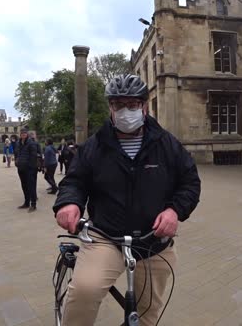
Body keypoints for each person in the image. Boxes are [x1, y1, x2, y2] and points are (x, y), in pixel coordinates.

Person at [53, 74, 201, 326]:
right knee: (85, 291)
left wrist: (175, 211)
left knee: (148, 311)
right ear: (110, 107)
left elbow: (190, 182)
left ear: (144, 105)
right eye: (118, 105)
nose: (125, 111)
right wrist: (69, 202)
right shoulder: (94, 145)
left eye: (132, 105)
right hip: (106, 236)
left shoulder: (166, 143)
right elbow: (74, 181)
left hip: (153, 241)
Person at [15, 128, 39, 212]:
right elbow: (16, 153)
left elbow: (33, 156)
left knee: (31, 186)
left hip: (29, 168)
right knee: (24, 186)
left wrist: (30, 166)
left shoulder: (31, 143)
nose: (23, 134)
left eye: (24, 133)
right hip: (21, 168)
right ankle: (26, 202)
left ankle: (33, 204)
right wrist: (16, 162)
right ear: (20, 134)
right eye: (22, 133)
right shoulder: (18, 143)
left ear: (27, 134)